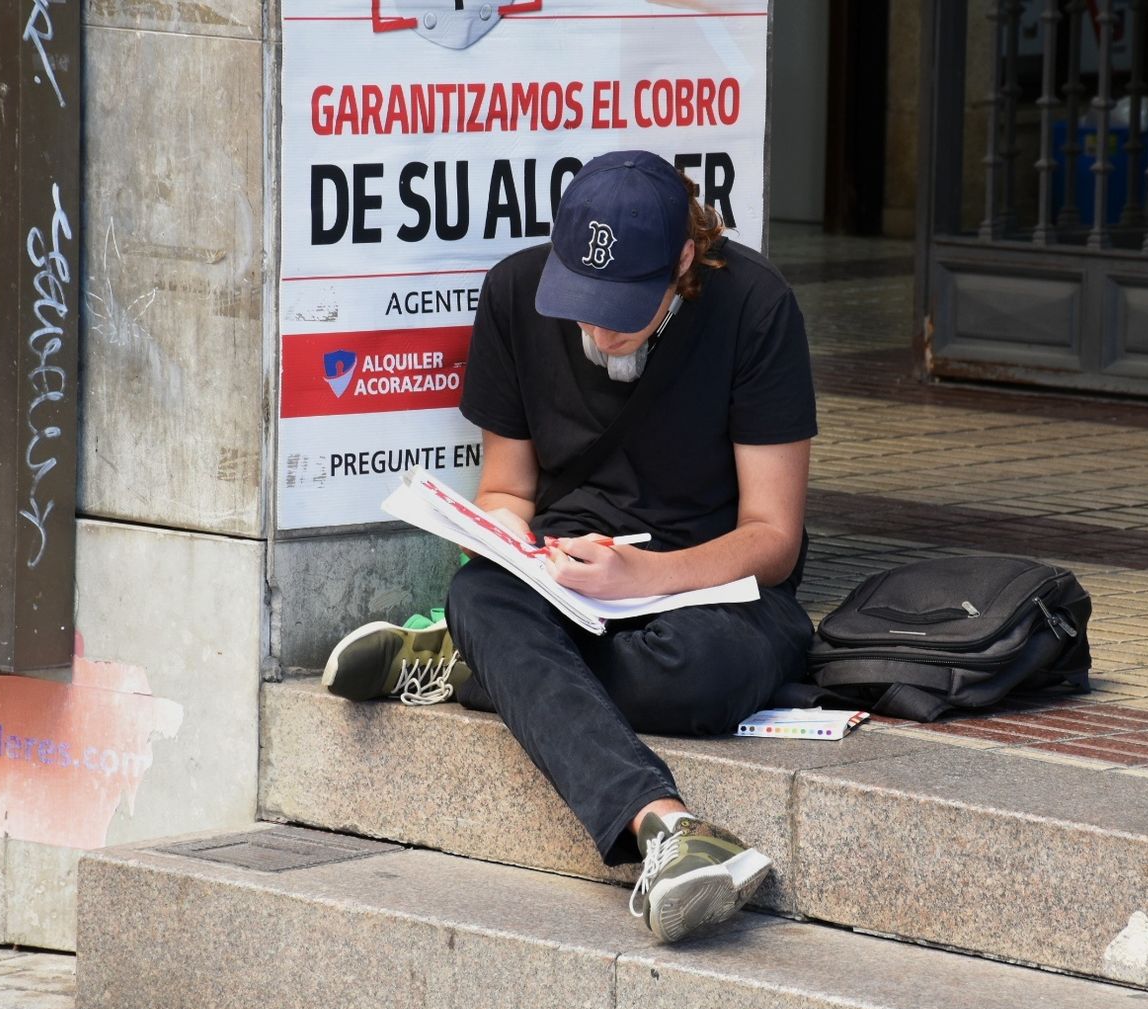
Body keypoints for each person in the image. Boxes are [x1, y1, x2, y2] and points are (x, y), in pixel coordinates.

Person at [322, 149, 816, 942]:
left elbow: (773, 539)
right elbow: (510, 488)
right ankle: (668, 828)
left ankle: (479, 666)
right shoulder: (517, 293)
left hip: (710, 586)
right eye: (580, 303)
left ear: (683, 261)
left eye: (620, 308)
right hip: (566, 582)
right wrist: (508, 537)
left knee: (698, 676)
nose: (593, 327)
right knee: (482, 593)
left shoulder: (756, 307)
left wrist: (643, 574)